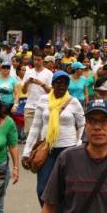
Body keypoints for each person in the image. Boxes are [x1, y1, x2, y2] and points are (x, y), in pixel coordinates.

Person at [22, 71, 85, 205]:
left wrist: (79, 144)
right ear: (52, 84)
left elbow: (83, 125)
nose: (62, 85)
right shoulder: (43, 100)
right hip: (47, 149)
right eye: (58, 82)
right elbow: (35, 127)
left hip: (68, 150)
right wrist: (27, 152)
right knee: (42, 189)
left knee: (67, 189)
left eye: (65, 83)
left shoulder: (73, 102)